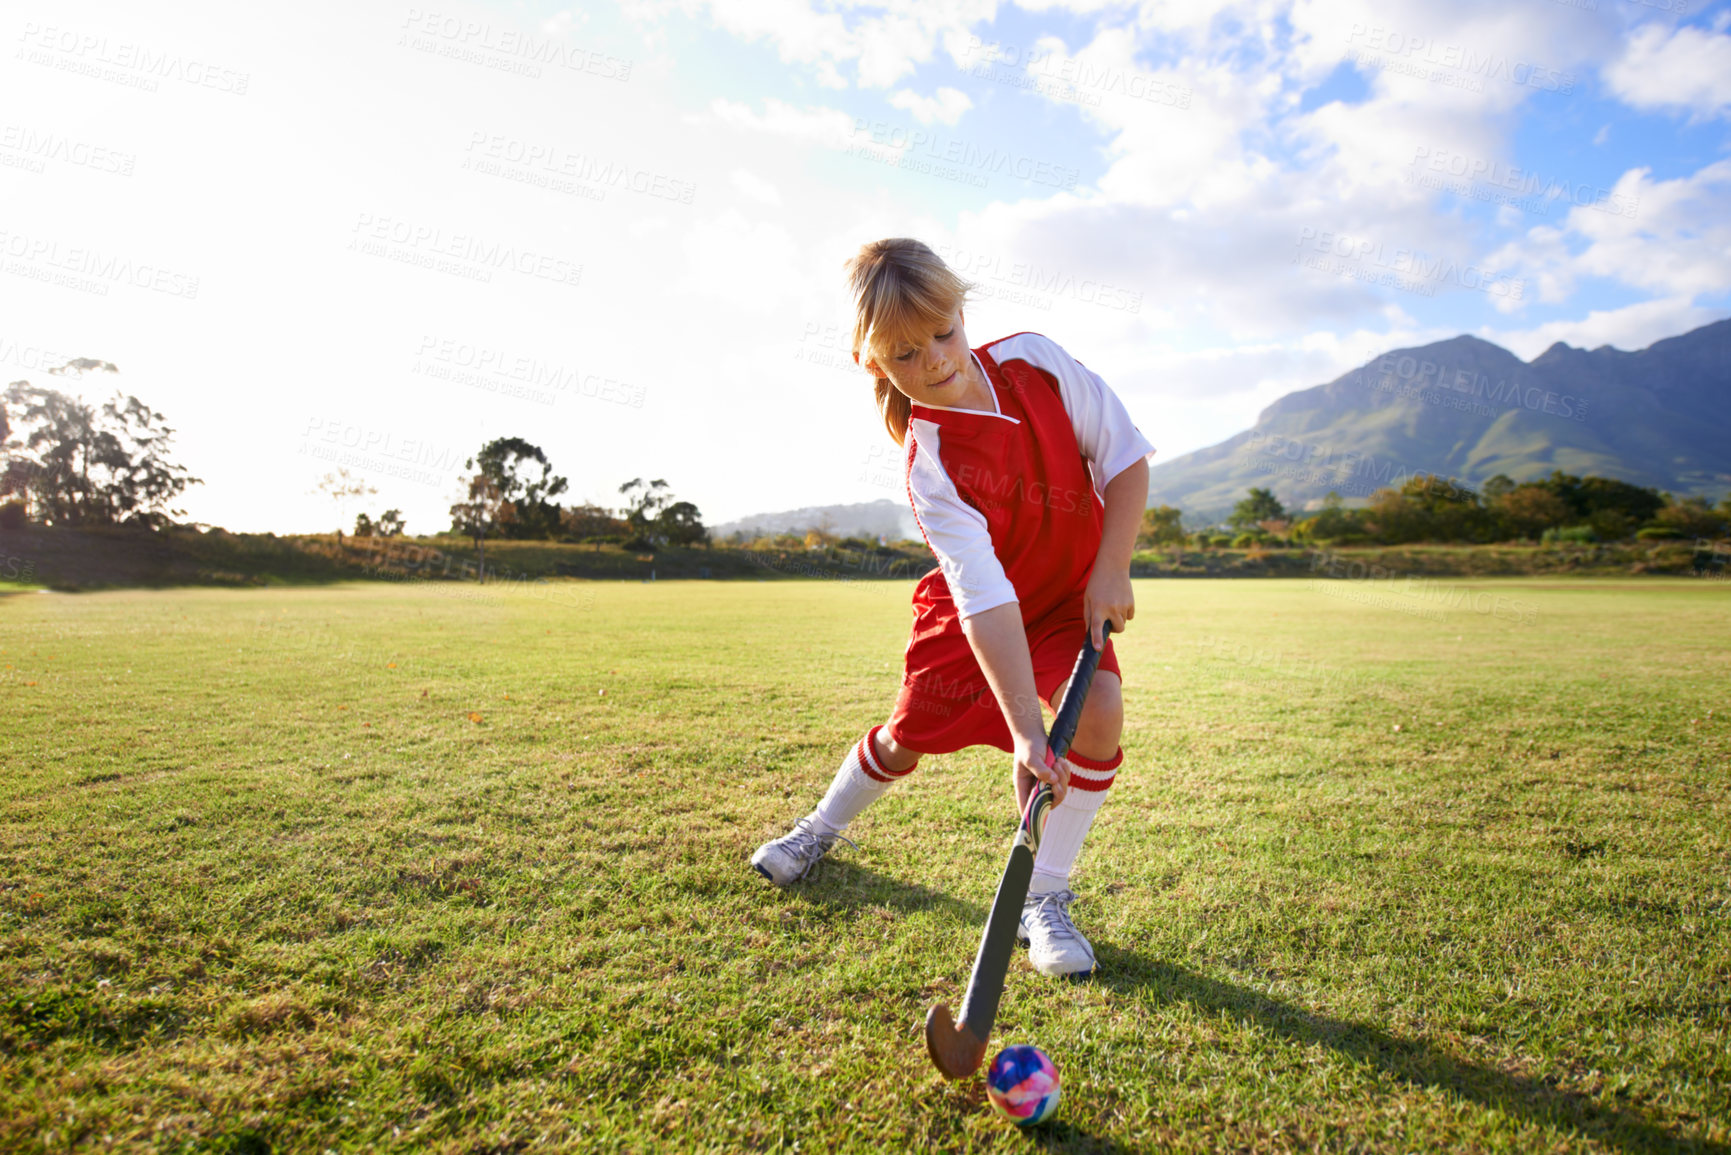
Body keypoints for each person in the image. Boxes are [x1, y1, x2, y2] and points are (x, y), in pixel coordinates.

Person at [751, 238, 1154, 979]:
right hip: (977, 616)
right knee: (906, 738)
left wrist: (1109, 568)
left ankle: (1043, 896)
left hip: (1069, 594)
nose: (935, 361)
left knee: (1096, 709)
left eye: (943, 334)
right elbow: (985, 597)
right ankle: (818, 829)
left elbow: (1125, 458)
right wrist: (1028, 733)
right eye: (905, 355)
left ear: (962, 311)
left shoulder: (1036, 360)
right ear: (871, 363)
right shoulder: (929, 463)